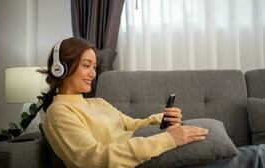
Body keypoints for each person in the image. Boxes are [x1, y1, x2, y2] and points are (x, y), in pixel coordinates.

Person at [40, 37, 209, 168]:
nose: (93, 73)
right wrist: (168, 140)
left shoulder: (98, 102)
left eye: (94, 67)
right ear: (60, 68)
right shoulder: (59, 112)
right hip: (132, 163)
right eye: (86, 65)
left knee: (230, 153)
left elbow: (132, 125)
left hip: (144, 157)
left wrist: (162, 118)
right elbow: (93, 159)